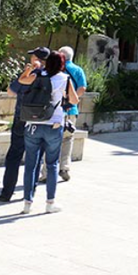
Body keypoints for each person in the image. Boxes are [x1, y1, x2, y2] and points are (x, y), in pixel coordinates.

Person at [18, 50, 77, 214]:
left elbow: (22, 81)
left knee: (30, 164)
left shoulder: (38, 75)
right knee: (52, 164)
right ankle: (50, 203)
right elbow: (74, 100)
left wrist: (29, 69)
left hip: (33, 124)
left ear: (46, 62)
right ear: (62, 64)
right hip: (54, 125)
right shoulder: (64, 79)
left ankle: (27, 203)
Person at [0, 47, 49, 203]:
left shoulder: (29, 76)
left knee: (14, 156)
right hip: (40, 121)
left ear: (37, 60)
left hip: (22, 119)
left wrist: (25, 72)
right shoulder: (53, 76)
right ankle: (30, 192)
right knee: (36, 157)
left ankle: (6, 193)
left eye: (33, 57)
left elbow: (11, 91)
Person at [57, 46, 86, 182]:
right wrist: (71, 100)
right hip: (70, 110)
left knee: (50, 141)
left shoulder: (55, 69)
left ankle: (45, 172)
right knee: (68, 139)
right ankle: (65, 167)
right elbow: (82, 88)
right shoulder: (77, 70)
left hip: (55, 110)